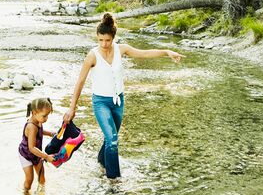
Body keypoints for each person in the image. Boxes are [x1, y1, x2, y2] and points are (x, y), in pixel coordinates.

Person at [63, 12, 182, 180]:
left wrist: (166, 51)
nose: (104, 44)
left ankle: (101, 163)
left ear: (113, 38)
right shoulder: (92, 56)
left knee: (110, 138)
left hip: (119, 101)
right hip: (101, 103)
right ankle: (114, 181)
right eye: (100, 40)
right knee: (112, 140)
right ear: (97, 38)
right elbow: (80, 82)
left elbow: (144, 53)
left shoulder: (122, 49)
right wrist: (71, 108)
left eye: (107, 40)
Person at [19, 98, 57, 190]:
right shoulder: (31, 126)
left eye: (47, 116)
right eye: (44, 116)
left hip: (37, 154)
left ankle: (42, 194)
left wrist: (50, 133)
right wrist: (46, 156)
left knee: (42, 177)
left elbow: (39, 131)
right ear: (34, 113)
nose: (46, 119)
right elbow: (31, 148)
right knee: (29, 179)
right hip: (26, 155)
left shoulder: (38, 120)